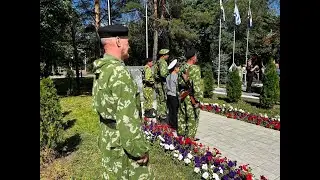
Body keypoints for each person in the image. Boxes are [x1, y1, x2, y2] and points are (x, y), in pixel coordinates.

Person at [92, 25, 154, 180]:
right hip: (123, 147)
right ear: (119, 41)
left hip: (109, 140)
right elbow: (127, 119)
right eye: (128, 41)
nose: (129, 45)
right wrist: (139, 150)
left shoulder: (102, 69)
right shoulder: (118, 72)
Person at [177, 48, 203, 140]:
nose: (196, 58)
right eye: (196, 56)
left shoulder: (182, 67)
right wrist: (198, 100)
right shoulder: (194, 68)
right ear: (192, 57)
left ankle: (181, 135)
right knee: (192, 118)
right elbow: (196, 86)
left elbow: (178, 83)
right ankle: (189, 140)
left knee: (182, 116)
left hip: (182, 95)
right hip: (191, 97)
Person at [153, 49, 170, 123]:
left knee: (159, 100)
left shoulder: (157, 62)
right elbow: (163, 74)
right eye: (167, 54)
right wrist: (168, 74)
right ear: (163, 55)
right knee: (163, 101)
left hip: (157, 84)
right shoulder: (163, 62)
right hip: (162, 84)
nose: (168, 56)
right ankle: (163, 117)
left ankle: (159, 117)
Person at [166, 59, 180, 130]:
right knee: (175, 112)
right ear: (175, 68)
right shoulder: (176, 76)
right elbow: (177, 87)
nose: (179, 69)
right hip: (174, 96)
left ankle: (170, 125)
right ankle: (175, 126)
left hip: (168, 95)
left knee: (170, 111)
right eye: (178, 68)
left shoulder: (168, 76)